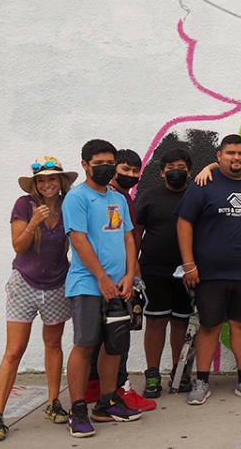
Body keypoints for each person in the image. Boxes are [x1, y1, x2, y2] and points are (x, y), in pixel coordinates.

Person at [0, 157, 77, 442]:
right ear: (35, 184)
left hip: (57, 284)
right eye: (41, 180)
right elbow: (18, 246)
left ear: (61, 181)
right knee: (14, 351)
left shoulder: (69, 205)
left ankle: (52, 403)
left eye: (52, 179)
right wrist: (34, 223)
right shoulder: (24, 205)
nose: (47, 184)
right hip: (23, 283)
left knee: (53, 344)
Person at [176, 134, 241, 405]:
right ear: (219, 156)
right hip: (209, 272)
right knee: (209, 326)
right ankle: (202, 381)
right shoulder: (204, 184)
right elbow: (184, 223)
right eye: (230, 153)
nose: (236, 158)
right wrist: (188, 264)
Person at [63, 140, 142, 437]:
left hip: (119, 285)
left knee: (114, 345)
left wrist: (129, 275)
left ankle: (107, 402)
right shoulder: (77, 198)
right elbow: (79, 240)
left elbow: (128, 239)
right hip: (88, 285)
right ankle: (79, 408)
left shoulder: (118, 199)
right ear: (85, 164)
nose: (106, 167)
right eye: (100, 163)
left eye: (110, 162)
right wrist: (102, 278)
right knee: (85, 345)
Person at [93, 149, 155, 412]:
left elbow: (130, 241)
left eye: (134, 171)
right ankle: (117, 391)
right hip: (109, 280)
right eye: (124, 169)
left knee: (117, 339)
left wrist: (135, 275)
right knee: (115, 341)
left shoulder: (123, 199)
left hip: (124, 278)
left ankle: (114, 390)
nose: (130, 175)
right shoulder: (108, 197)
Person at [136, 149, 194, 399]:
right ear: (162, 172)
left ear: (189, 171)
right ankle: (152, 374)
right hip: (153, 268)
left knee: (181, 322)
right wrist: (133, 265)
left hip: (187, 271)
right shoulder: (149, 197)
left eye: (180, 166)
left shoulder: (196, 196)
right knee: (156, 321)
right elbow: (136, 233)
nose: (175, 171)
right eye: (170, 167)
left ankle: (178, 373)